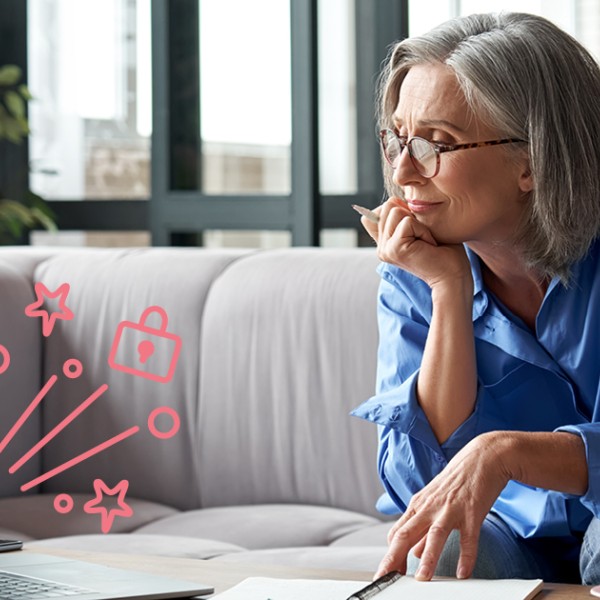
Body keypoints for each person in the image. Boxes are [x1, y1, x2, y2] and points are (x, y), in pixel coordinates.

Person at [351, 11, 600, 585]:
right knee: (438, 552)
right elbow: (420, 484)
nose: (405, 171)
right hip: (513, 531)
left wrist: (508, 451)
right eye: (399, 139)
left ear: (531, 162)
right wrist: (448, 292)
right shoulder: (417, 272)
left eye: (438, 143)